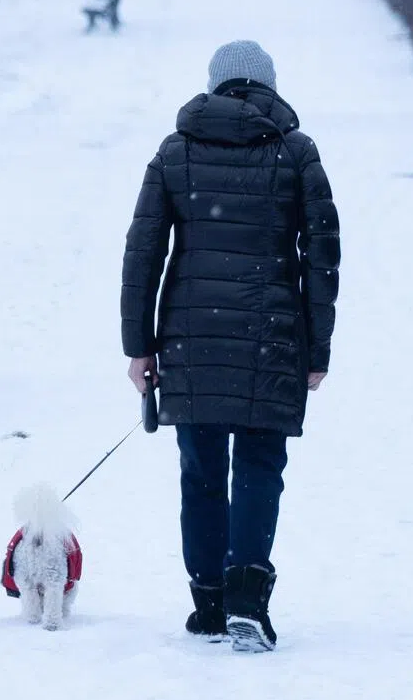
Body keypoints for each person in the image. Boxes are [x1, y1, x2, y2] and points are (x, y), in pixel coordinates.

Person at [120, 40, 340, 652]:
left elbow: (143, 255)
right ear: (268, 87)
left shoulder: (175, 152)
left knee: (201, 472)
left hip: (192, 338)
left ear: (214, 87)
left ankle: (209, 601)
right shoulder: (297, 153)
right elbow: (321, 258)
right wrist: (317, 350)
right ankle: (248, 596)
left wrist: (139, 347)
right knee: (260, 468)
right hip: (271, 338)